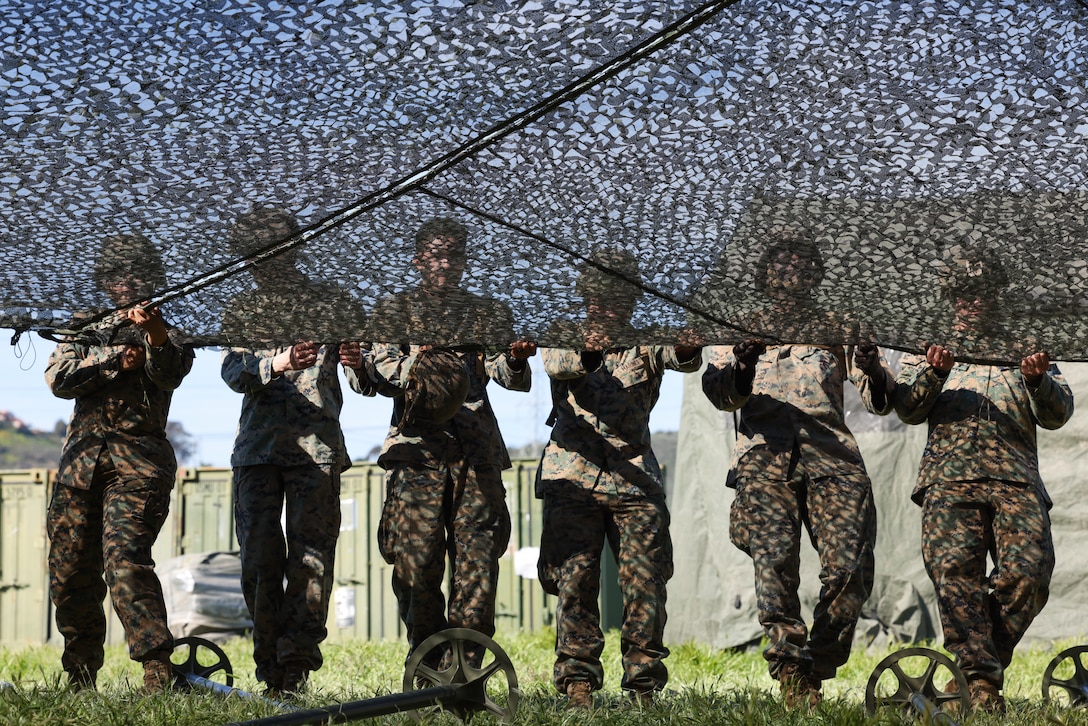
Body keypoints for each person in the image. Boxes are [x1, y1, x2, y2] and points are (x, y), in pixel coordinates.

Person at [700, 231, 896, 709]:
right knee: (775, 567)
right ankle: (792, 673)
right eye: (780, 265)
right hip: (764, 463)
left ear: (815, 277)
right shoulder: (736, 327)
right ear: (766, 276)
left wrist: (872, 367)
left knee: (850, 569)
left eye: (801, 266)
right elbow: (721, 393)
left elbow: (880, 399)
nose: (790, 273)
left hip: (833, 460)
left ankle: (819, 660)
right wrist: (742, 367)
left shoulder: (839, 326)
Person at [894, 256, 1073, 712]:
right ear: (949, 297)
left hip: (1016, 478)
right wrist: (934, 373)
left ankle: (974, 668)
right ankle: (981, 687)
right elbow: (907, 409)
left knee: (1029, 576)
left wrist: (1036, 380)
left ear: (996, 293)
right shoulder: (929, 345)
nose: (971, 300)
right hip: (949, 478)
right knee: (957, 581)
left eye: (980, 290)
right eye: (961, 291)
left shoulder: (1027, 344)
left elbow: (1058, 414)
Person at [361, 217, 535, 667]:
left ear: (463, 261)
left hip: (477, 457)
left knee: (477, 568)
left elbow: (508, 376)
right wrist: (425, 371)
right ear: (419, 260)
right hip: (415, 454)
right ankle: (429, 662)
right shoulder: (392, 311)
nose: (445, 263)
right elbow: (381, 370)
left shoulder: (488, 312)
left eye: (454, 255)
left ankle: (466, 670)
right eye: (436, 254)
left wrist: (514, 360)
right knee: (414, 568)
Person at [536, 247, 702, 710]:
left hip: (634, 481)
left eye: (618, 298)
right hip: (573, 475)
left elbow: (682, 356)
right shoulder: (562, 333)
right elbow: (557, 364)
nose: (608, 307)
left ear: (631, 300)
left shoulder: (647, 340)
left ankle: (644, 685)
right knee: (575, 579)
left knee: (646, 581)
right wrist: (590, 349)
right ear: (585, 297)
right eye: (599, 297)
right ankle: (578, 682)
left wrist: (689, 344)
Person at [220, 207, 371, 696]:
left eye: (274, 252)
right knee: (259, 563)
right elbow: (233, 374)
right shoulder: (241, 308)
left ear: (294, 249)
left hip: (317, 451)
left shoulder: (334, 303)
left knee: (311, 561)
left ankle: (295, 667)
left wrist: (359, 362)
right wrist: (280, 361)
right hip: (259, 453)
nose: (264, 264)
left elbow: (364, 381)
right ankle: (269, 668)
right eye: (256, 256)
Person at [46, 233, 195, 692]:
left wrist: (151, 336)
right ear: (105, 281)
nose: (126, 281)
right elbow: (58, 378)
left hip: (138, 466)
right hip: (79, 467)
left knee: (124, 559)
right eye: (116, 274)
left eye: (135, 272)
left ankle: (157, 668)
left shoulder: (170, 328)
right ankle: (80, 675)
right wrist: (115, 357)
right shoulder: (83, 326)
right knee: (69, 571)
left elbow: (170, 371)